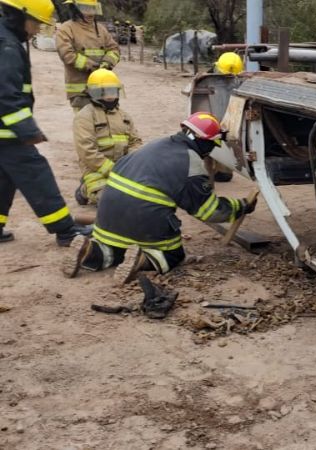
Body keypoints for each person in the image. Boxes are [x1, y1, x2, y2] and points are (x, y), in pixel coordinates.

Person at [63, 112, 258, 284]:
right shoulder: (191, 163)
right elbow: (208, 211)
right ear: (205, 141)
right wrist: (241, 206)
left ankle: (92, 252)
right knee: (173, 254)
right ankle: (143, 260)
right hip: (143, 218)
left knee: (116, 247)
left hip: (106, 217)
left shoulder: (155, 145)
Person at [0, 0, 92, 246]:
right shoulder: (6, 45)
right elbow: (6, 97)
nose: (38, 30)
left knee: (4, 178)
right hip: (7, 133)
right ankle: (66, 231)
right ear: (21, 16)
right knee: (36, 174)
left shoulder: (6, 37)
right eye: (37, 24)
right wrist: (27, 130)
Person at [73, 68, 141, 206]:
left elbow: (136, 142)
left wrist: (131, 164)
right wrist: (113, 170)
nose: (110, 97)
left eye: (113, 91)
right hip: (96, 170)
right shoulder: (84, 117)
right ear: (94, 93)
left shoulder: (124, 116)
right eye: (104, 92)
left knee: (141, 198)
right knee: (110, 202)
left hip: (123, 169)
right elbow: (87, 151)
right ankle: (85, 190)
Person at [56, 0, 120, 112]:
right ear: (75, 9)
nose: (91, 13)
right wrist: (92, 66)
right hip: (81, 91)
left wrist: (107, 63)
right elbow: (67, 54)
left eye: (93, 8)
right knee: (86, 125)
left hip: (104, 87)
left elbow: (113, 49)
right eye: (86, 8)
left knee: (110, 123)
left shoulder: (100, 29)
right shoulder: (66, 29)